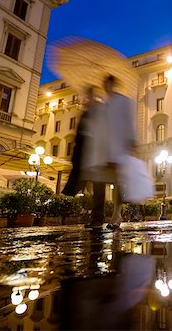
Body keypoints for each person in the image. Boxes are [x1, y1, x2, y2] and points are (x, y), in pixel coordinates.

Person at [64, 75, 136, 229]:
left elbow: (128, 122)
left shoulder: (122, 101)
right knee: (103, 182)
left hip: (118, 148)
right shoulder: (103, 105)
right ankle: (101, 217)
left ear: (112, 84)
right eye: (105, 85)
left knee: (117, 183)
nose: (106, 88)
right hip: (104, 151)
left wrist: (131, 141)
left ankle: (116, 215)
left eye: (108, 85)